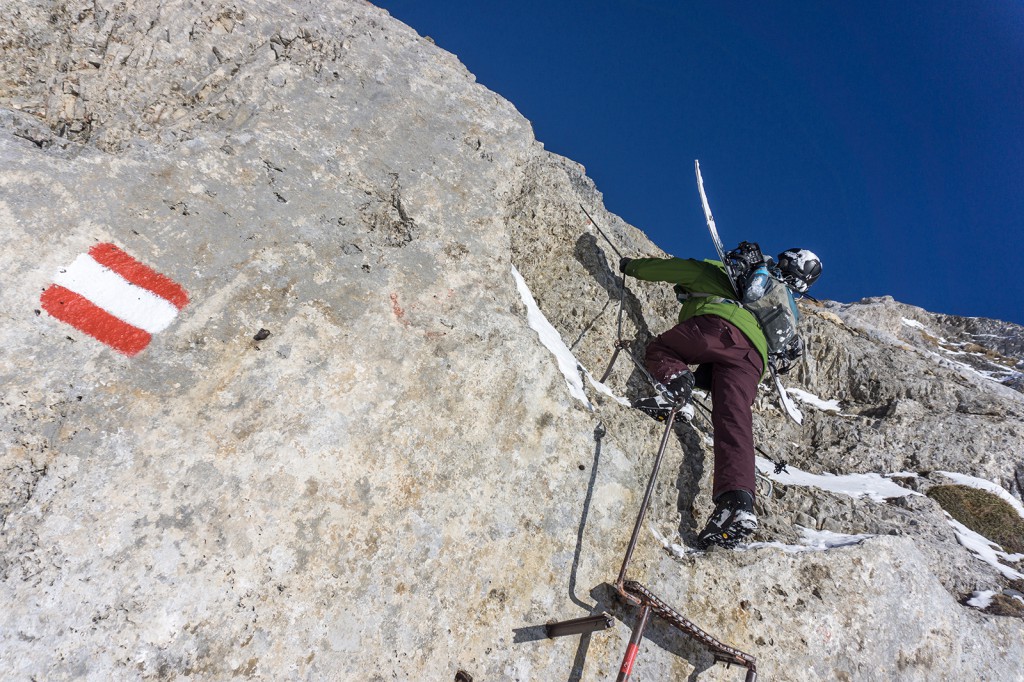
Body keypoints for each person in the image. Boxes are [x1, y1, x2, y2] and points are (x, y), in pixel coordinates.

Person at [619, 248, 822, 548]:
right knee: (734, 423)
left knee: (663, 351)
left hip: (719, 329)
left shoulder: (728, 275)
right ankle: (737, 504)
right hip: (752, 363)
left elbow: (681, 269)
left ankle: (677, 393)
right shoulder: (784, 308)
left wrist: (632, 266)